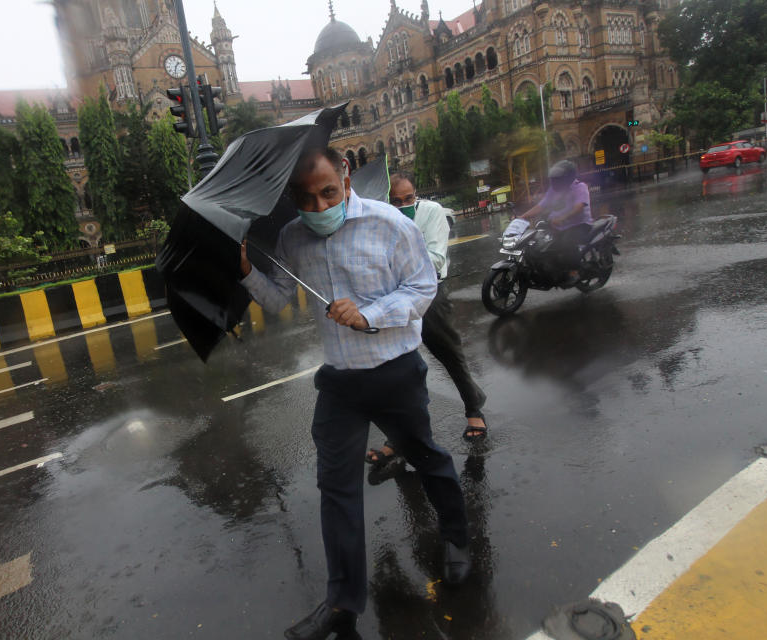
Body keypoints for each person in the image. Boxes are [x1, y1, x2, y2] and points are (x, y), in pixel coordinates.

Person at [239, 147, 471, 640]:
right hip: (340, 382)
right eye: (306, 200)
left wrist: (371, 314)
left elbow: (422, 288)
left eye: (327, 193)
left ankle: (456, 537)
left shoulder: (390, 224)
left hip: (395, 372)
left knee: (426, 455)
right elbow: (278, 297)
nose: (319, 208)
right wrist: (246, 272)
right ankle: (342, 603)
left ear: (344, 177)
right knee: (336, 489)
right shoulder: (292, 236)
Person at [365, 174, 490, 476]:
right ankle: (398, 438)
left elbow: (434, 260)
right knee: (398, 369)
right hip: (394, 300)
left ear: (415, 196)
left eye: (409, 199)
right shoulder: (380, 219)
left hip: (430, 294)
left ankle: (473, 407)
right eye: (396, 201)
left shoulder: (431, 213)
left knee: (448, 352)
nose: (403, 205)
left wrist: (397, 253)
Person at [519, 159, 593, 285]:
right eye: (554, 179)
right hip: (558, 225)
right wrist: (523, 216)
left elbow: (579, 207)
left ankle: (574, 272)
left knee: (567, 242)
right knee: (540, 241)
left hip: (579, 225)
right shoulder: (554, 190)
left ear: (567, 178)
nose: (555, 182)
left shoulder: (580, 187)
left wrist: (563, 218)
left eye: (558, 179)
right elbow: (541, 206)